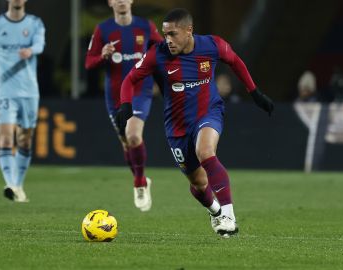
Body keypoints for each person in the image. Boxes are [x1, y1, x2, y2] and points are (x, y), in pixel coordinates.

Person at [116, 8, 274, 237]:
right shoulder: (157, 54)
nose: (168, 40)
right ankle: (216, 211)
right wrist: (125, 105)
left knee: (205, 151)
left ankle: (229, 214)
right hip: (177, 126)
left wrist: (255, 92)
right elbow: (130, 80)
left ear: (189, 31)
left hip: (208, 112)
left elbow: (236, 61)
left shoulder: (212, 45)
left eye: (173, 34)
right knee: (199, 184)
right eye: (165, 34)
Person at [85, 0, 163, 211]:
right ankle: (142, 179)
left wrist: (160, 76)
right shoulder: (103, 29)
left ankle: (138, 184)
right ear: (110, 2)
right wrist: (102, 55)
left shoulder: (145, 26)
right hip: (114, 94)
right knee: (127, 143)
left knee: (134, 135)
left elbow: (163, 51)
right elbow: (89, 62)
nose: (120, 0)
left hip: (140, 90)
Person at [0, 0, 45, 202]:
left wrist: (31, 50)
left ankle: (18, 185)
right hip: (3, 90)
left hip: (28, 91)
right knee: (6, 139)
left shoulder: (35, 23)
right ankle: (11, 184)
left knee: (25, 139)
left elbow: (40, 45)